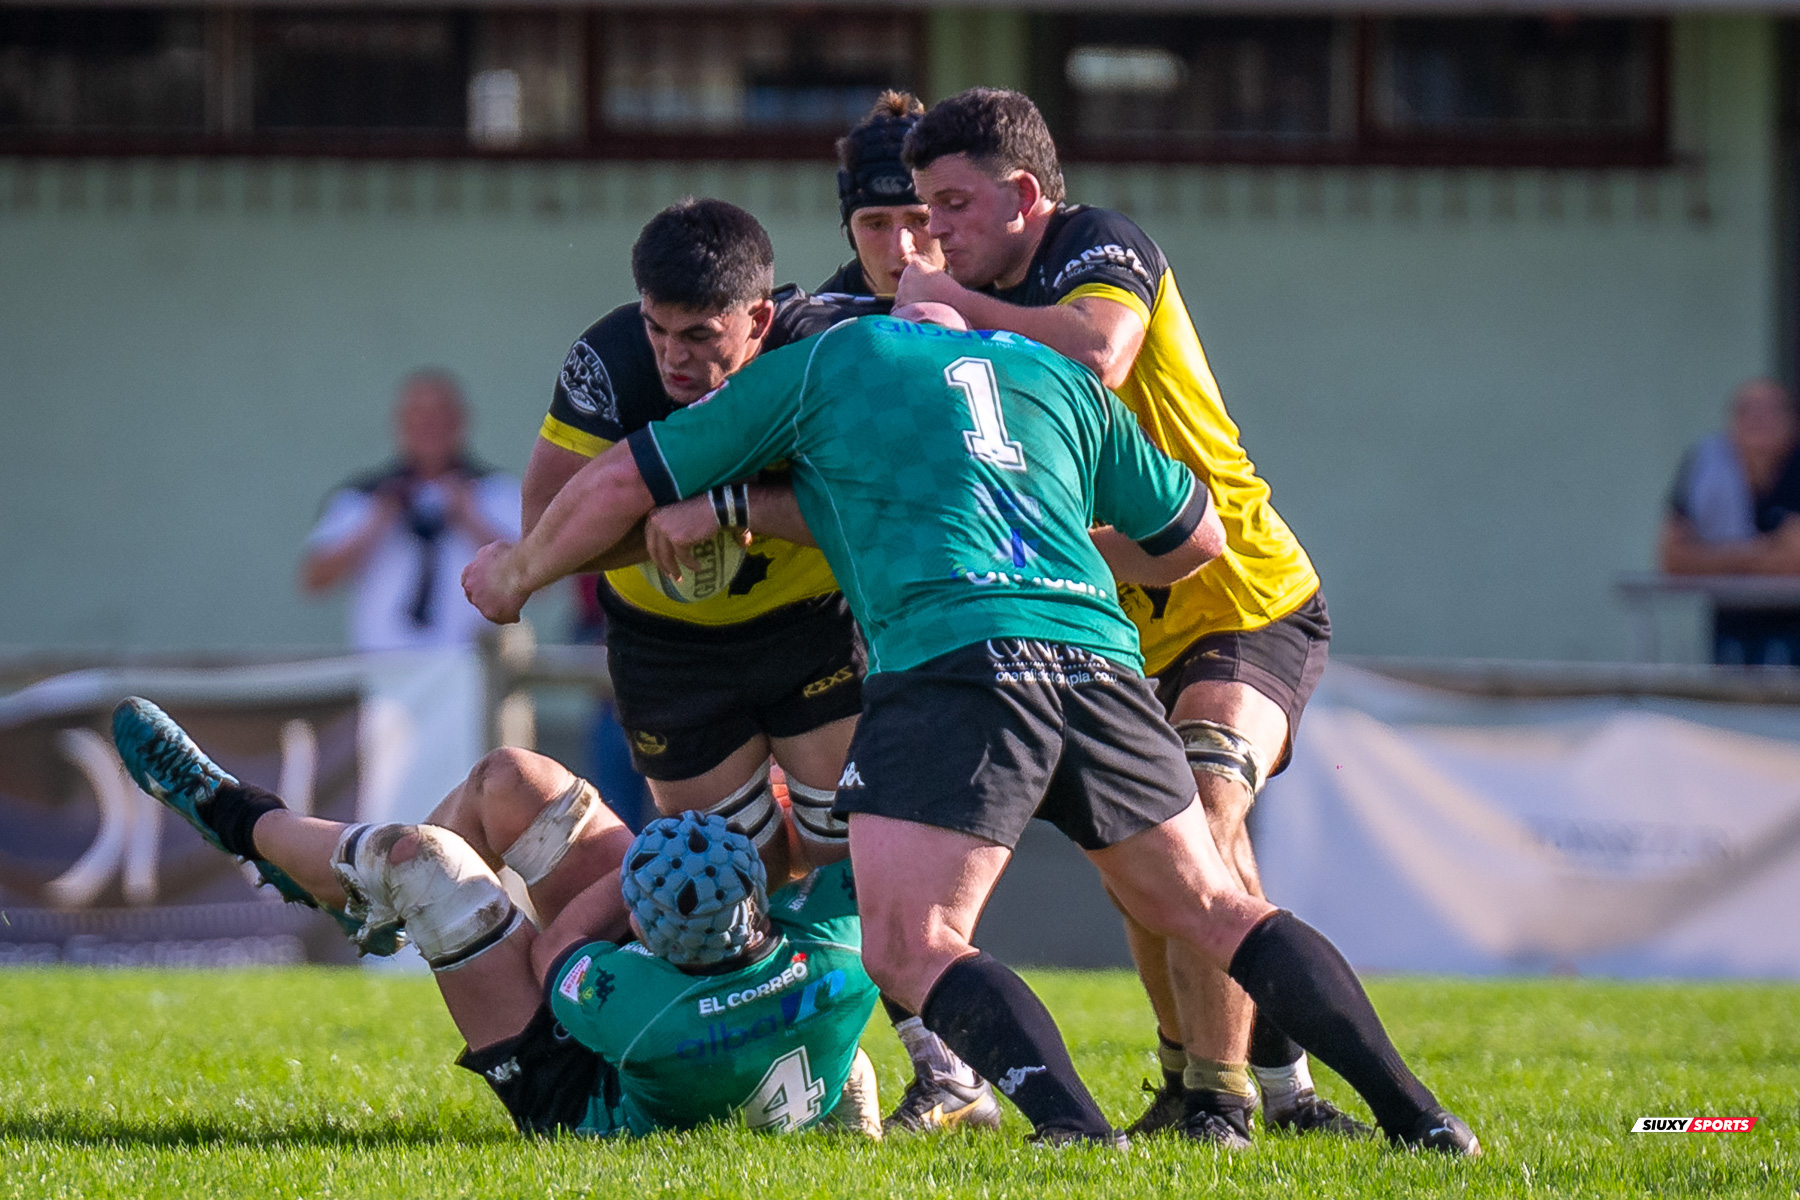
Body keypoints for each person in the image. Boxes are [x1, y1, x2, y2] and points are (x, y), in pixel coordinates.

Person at [462, 306, 1479, 1154]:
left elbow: (616, 483)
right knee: (1212, 903)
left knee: (908, 944)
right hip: (1094, 650)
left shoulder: (829, 359)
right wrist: (1031, 552)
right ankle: (1422, 1120)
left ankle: (1076, 1128)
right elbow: (1192, 540)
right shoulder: (1050, 375)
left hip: (954, 660)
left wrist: (513, 575)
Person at [893, 87, 1345, 1146]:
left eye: (953, 205)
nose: (938, 232)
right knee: (1148, 874)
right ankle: (1228, 1085)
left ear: (1023, 193)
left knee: (1206, 804)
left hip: (1243, 595)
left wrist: (963, 313)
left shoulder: (1095, 245)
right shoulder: (950, 316)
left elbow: (1100, 351)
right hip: (1112, 621)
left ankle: (1223, 1104)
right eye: (920, 211)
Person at [525, 197, 997, 1131]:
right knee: (732, 875)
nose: (673, 360)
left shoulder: (825, 348)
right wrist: (649, 529)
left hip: (807, 629)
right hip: (669, 655)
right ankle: (806, 1074)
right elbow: (550, 522)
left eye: (700, 336)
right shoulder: (609, 359)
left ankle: (945, 1070)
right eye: (659, 329)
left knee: (853, 862)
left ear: (761, 318)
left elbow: (895, 477)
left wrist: (730, 506)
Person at [111, 697, 882, 1138]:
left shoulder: (649, 1008)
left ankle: (237, 818)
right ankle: (361, 898)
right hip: (730, 1029)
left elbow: (558, 954)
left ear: (646, 938)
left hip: (580, 1089)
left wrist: (643, 866)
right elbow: (882, 885)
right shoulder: (841, 957)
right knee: (512, 778)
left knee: (424, 862)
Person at [301, 371, 521, 651]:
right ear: (400, 424)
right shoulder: (364, 496)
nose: (429, 426)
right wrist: (378, 520)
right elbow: (314, 579)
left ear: (460, 422)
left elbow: (535, 581)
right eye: (417, 415)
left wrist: (470, 517)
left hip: (472, 666)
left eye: (439, 416)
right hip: (384, 666)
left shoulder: (495, 493)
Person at [1660, 378, 1800, 665]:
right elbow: (1672, 560)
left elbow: (1794, 562)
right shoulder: (1706, 465)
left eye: (1771, 411)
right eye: (1748, 411)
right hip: (1730, 633)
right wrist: (1767, 550)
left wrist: (1710, 556)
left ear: (1792, 420)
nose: (1759, 421)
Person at [817, 91, 946, 298]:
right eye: (876, 224)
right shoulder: (815, 325)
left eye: (921, 220)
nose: (902, 249)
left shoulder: (1001, 314)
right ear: (849, 233)